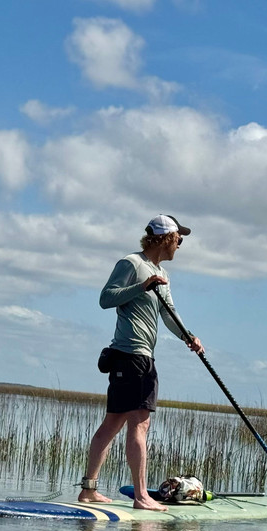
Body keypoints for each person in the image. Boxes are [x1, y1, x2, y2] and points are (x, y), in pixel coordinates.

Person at [78, 214, 204, 511]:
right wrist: (142, 286)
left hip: (142, 356)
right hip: (131, 355)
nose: (180, 246)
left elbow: (168, 313)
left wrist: (189, 336)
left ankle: (88, 491)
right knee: (140, 424)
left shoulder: (161, 274)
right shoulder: (131, 264)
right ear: (166, 239)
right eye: (179, 240)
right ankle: (141, 496)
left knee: (112, 424)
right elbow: (106, 298)